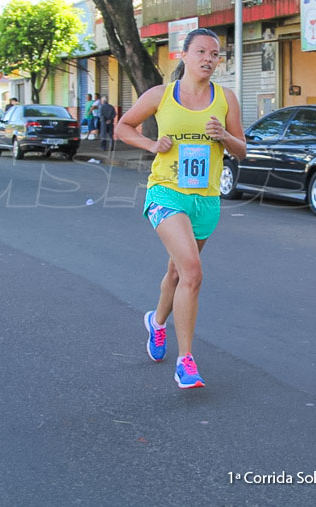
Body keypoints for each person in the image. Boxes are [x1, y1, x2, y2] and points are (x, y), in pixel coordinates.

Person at [116, 28, 246, 389]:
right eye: (202, 51)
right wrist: (151, 144)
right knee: (192, 271)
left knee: (176, 274)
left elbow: (242, 150)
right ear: (184, 55)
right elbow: (123, 127)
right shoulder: (161, 95)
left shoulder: (226, 99)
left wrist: (225, 136)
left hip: (206, 200)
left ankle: (156, 323)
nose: (209, 58)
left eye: (215, 54)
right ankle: (185, 361)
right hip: (166, 194)